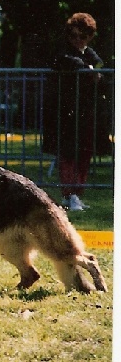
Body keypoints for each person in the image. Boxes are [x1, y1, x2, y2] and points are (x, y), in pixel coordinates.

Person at [42, 12, 112, 212]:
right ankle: (68, 194)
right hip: (66, 112)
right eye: (73, 36)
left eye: (82, 36)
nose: (77, 40)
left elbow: (101, 68)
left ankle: (77, 195)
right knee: (68, 154)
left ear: (89, 37)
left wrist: (93, 70)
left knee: (85, 154)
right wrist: (89, 70)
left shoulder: (90, 53)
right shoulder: (64, 51)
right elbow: (67, 62)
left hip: (87, 112)